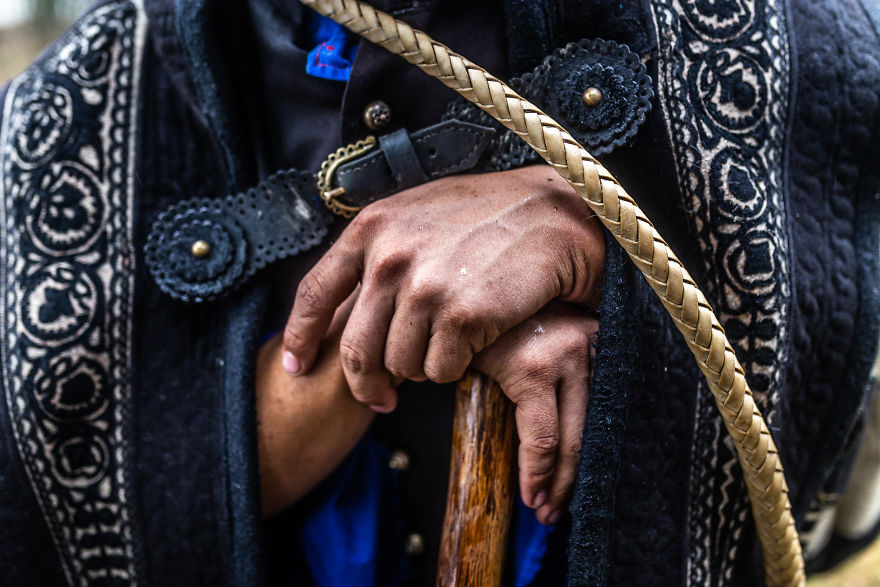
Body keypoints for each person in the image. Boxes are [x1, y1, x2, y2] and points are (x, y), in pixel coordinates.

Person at [0, 0, 878, 585]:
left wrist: (590, 233)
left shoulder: (771, 34)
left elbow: (839, 418)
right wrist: (410, 316)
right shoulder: (91, 93)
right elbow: (58, 500)